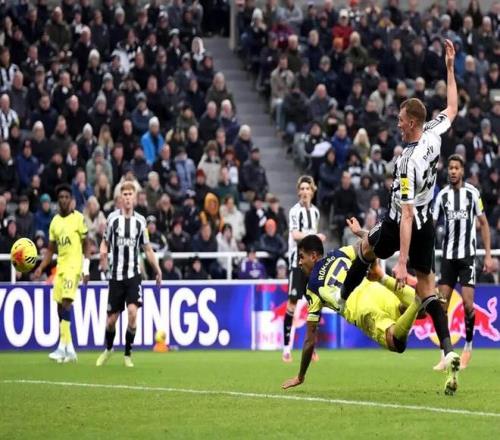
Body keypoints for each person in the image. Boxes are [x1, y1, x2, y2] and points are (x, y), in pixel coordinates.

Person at [339, 39, 461, 381]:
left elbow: (405, 214)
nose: (397, 123)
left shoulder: (407, 162)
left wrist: (402, 261)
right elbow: (452, 108)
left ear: (412, 123)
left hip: (400, 222)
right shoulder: (434, 133)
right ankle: (448, 350)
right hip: (427, 221)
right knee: (428, 289)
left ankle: (342, 298)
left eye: (401, 120)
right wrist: (450, 69)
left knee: (365, 248)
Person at [282, 229, 458, 396]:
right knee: (421, 313)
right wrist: (363, 238)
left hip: (362, 309)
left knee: (397, 343)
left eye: (301, 257)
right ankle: (418, 299)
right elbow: (370, 242)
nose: (299, 262)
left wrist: (300, 376)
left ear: (313, 256)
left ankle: (418, 300)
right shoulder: (339, 253)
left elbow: (310, 339)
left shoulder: (312, 288)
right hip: (377, 290)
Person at [432, 154, 495, 370]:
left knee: (468, 306)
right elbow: (432, 225)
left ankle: (468, 346)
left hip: (467, 257)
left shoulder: (472, 193)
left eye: (456, 168)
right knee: (442, 307)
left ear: (462, 171)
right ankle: (444, 354)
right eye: (450, 167)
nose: (452, 171)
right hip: (448, 258)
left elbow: (483, 223)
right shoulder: (442, 196)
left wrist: (488, 255)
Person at [96, 182, 162, 368]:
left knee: (133, 313)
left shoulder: (140, 221)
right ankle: (109, 349)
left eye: (130, 194)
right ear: (120, 198)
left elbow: (147, 249)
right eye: (124, 194)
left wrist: (157, 269)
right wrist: (103, 256)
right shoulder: (112, 219)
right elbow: (105, 242)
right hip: (116, 276)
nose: (127, 197)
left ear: (135, 197)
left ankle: (127, 354)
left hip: (133, 275)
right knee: (111, 321)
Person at [34, 184, 91, 363]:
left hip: (74, 267)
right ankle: (69, 348)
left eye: (67, 197)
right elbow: (51, 249)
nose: (64, 200)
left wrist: (86, 268)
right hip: (61, 267)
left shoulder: (78, 218)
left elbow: (87, 244)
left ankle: (61, 347)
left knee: (67, 302)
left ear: (71, 200)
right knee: (59, 307)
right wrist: (41, 267)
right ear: (58, 201)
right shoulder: (55, 222)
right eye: (61, 197)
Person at [282, 175, 324, 363]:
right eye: (302, 189)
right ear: (299, 192)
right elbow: (295, 234)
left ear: (312, 192)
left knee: (314, 305)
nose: (305, 192)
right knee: (292, 304)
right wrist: (314, 236)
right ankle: (286, 348)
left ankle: (310, 347)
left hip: (311, 266)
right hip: (296, 264)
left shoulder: (315, 212)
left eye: (308, 189)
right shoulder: (294, 211)